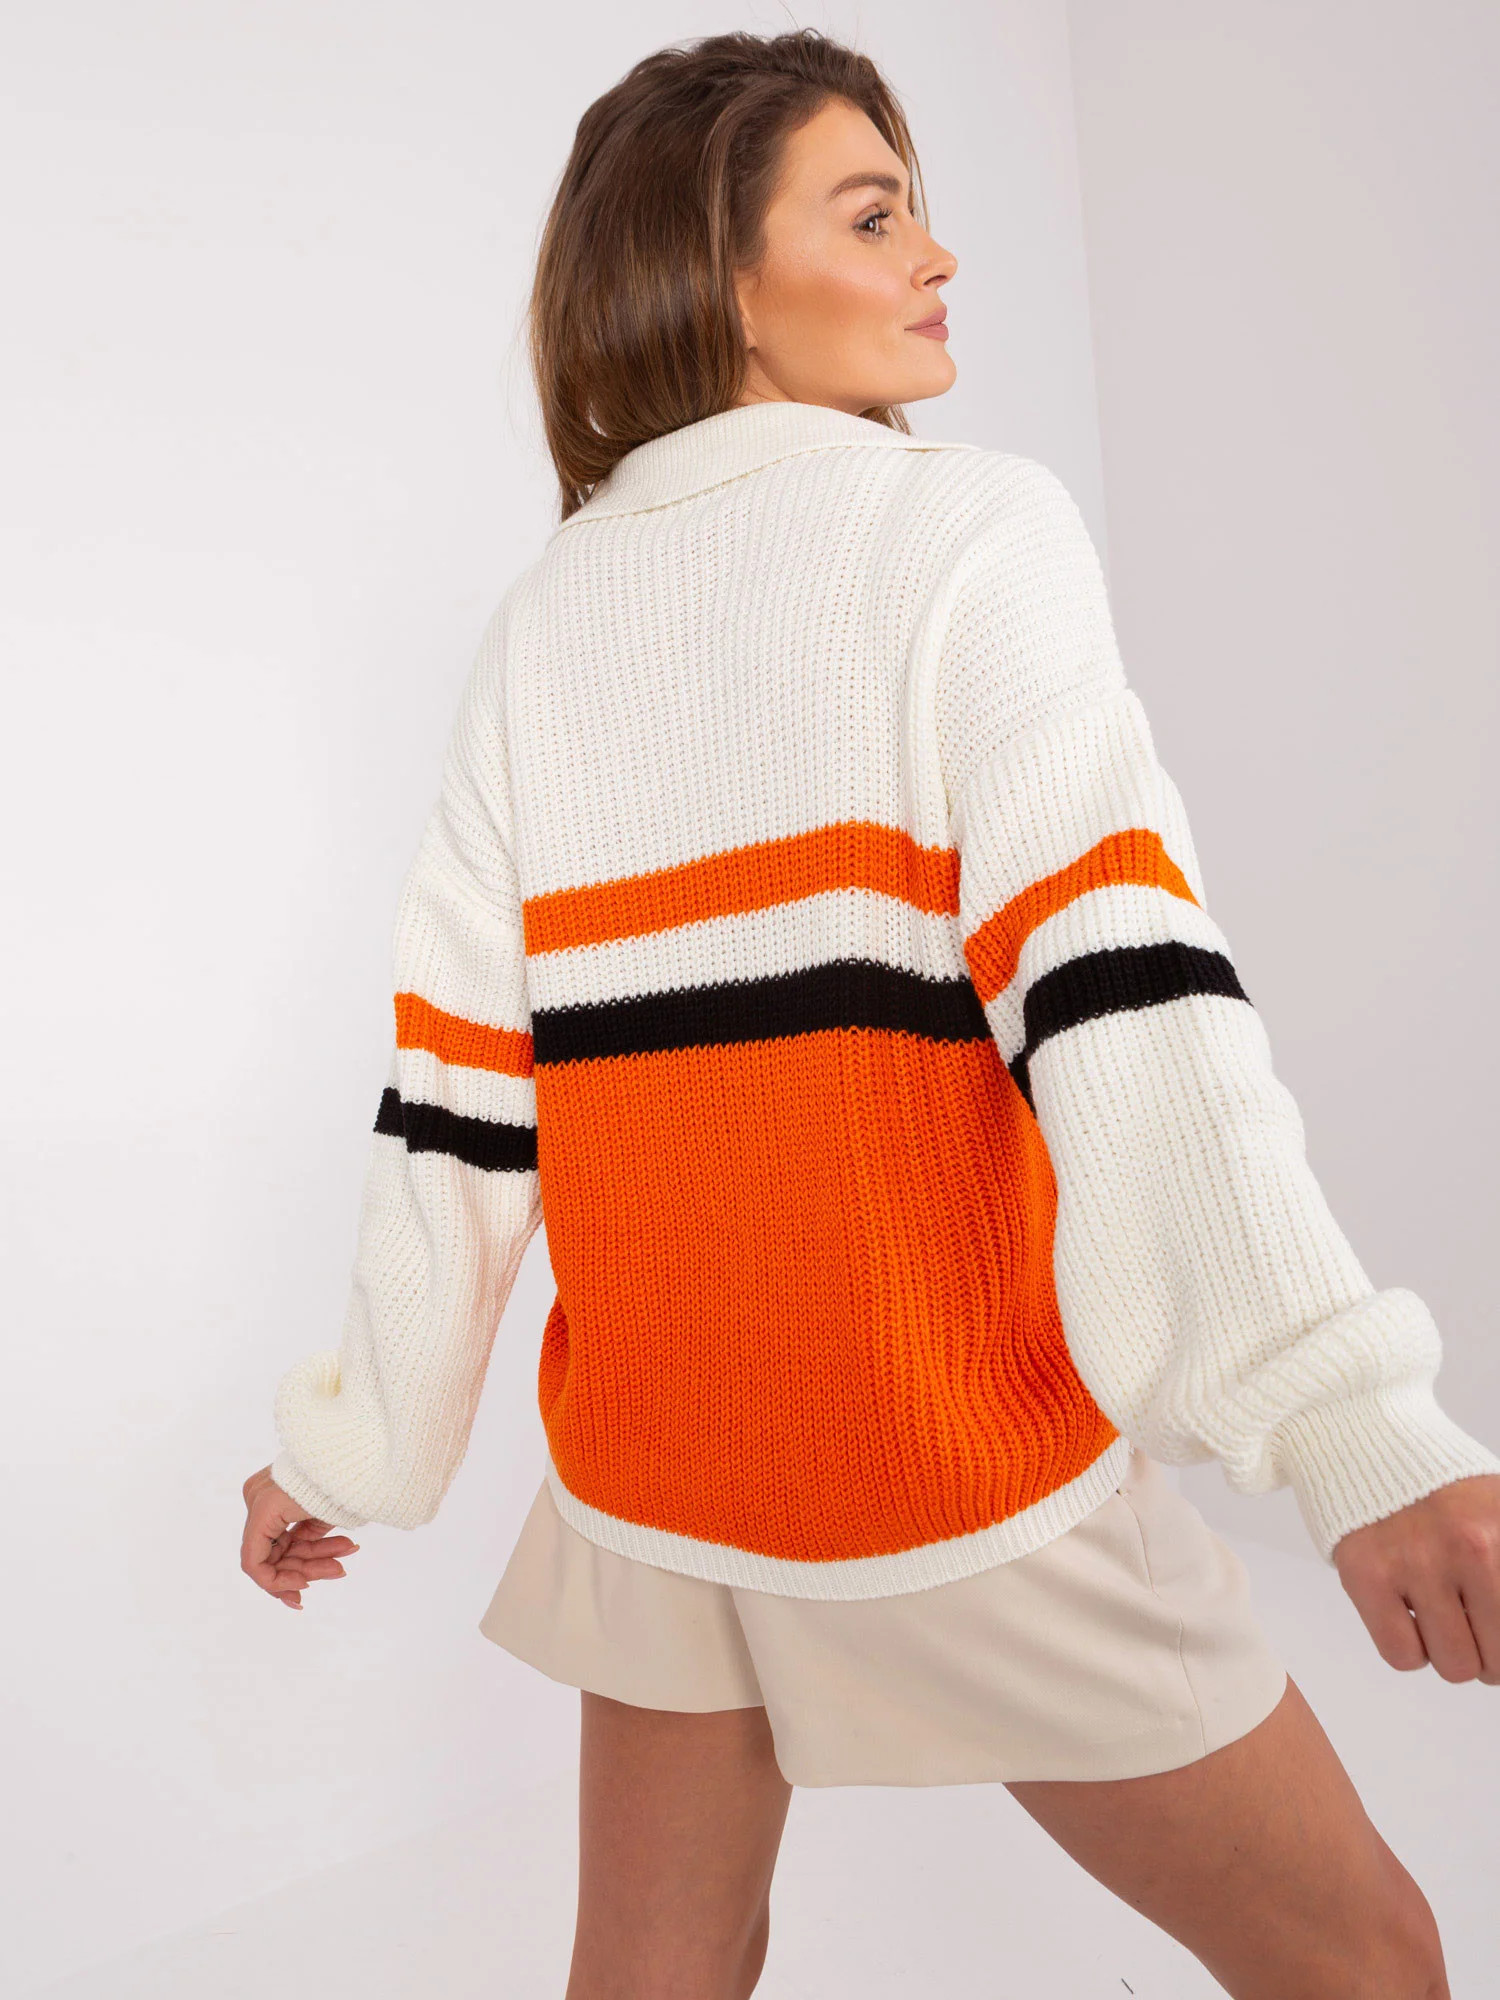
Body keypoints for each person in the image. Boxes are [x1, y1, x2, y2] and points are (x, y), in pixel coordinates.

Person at [239, 28, 1499, 1999]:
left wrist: (353, 1453)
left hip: (660, 1467)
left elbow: (461, 1103)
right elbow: (1125, 991)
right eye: (875, 212)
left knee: (652, 1976)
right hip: (939, 1446)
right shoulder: (965, 530)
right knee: (1368, 1958)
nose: (939, 256)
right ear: (724, 281)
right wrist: (1354, 1421)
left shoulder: (545, 618)